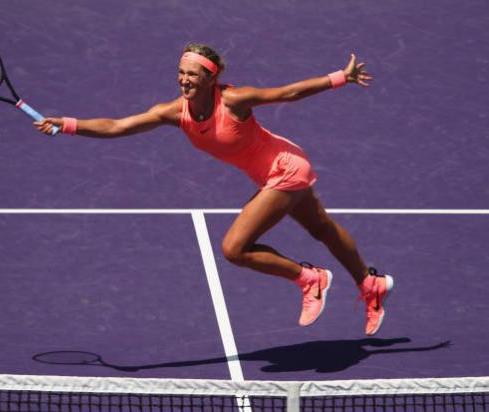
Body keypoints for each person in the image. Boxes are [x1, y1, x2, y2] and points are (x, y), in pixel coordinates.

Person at [34, 43, 394, 336]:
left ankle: (310, 279)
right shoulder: (174, 112)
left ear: (211, 77)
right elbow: (117, 126)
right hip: (273, 173)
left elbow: (288, 93)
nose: (184, 80)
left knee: (234, 249)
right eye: (181, 72)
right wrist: (67, 124)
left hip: (285, 168)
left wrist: (339, 78)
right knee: (322, 229)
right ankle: (369, 283)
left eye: (192, 74)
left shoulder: (234, 100)